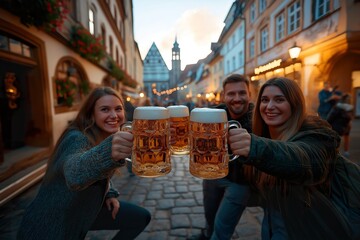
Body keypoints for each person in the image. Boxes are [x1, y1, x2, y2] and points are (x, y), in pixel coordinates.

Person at [228, 77, 360, 239]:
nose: (269, 106)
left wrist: (254, 147)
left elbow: (305, 160)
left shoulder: (317, 133)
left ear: (294, 104)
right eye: (264, 100)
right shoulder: (263, 133)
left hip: (310, 226)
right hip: (273, 221)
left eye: (279, 99)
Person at [17, 87, 151, 240]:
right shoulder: (76, 137)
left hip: (83, 211)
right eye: (105, 109)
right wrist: (109, 152)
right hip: (49, 226)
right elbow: (74, 173)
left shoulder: (102, 134)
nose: (114, 115)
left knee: (140, 218)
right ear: (91, 113)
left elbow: (100, 172)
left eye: (118, 109)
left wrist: (109, 193)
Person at [189, 74, 254, 240]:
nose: (237, 98)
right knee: (210, 215)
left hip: (241, 181)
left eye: (242, 93)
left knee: (222, 226)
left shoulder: (259, 117)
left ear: (250, 94)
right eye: (231, 94)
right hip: (213, 175)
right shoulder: (216, 114)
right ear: (224, 96)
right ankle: (207, 234)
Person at [327, 93, 354, 158]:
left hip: (336, 127)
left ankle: (335, 153)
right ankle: (346, 151)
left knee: (334, 140)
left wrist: (327, 124)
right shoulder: (351, 107)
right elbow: (351, 117)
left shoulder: (337, 107)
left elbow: (330, 118)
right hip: (346, 127)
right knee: (346, 138)